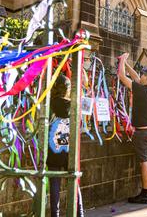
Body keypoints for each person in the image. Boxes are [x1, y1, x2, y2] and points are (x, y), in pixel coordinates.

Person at [117, 53, 147, 204]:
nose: (141, 75)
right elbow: (135, 77)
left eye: (144, 74)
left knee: (144, 162)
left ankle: (144, 194)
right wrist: (128, 64)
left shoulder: (141, 90)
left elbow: (122, 77)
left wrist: (122, 61)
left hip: (143, 133)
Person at [46, 74, 84, 217]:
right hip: (70, 149)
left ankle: (54, 215)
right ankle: (79, 213)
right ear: (68, 89)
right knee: (73, 183)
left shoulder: (48, 103)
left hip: (53, 149)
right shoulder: (73, 105)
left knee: (54, 185)